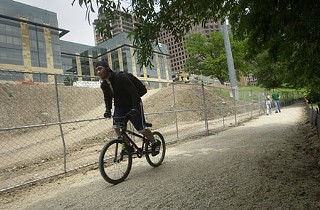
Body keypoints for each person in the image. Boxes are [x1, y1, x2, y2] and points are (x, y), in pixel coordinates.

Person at [95, 60, 160, 155]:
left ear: (107, 68)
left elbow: (133, 92)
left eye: (100, 69)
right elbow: (107, 98)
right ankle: (128, 146)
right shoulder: (104, 85)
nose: (98, 72)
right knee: (116, 127)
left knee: (141, 128)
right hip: (120, 106)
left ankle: (155, 142)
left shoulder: (120, 77)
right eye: (96, 70)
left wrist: (135, 107)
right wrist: (108, 110)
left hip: (133, 104)